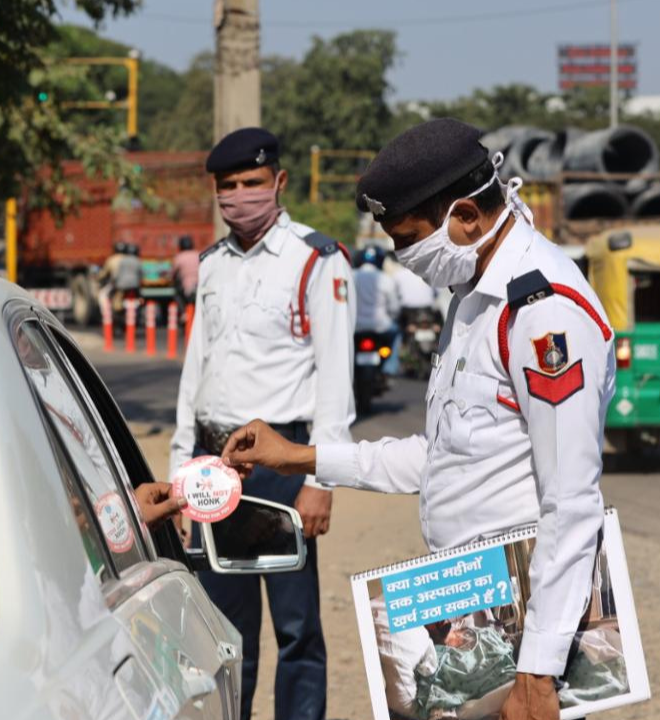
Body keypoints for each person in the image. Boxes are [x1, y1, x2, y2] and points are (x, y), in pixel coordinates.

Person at [222, 119, 614, 720]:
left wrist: (539, 669)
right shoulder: (471, 293)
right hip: (473, 606)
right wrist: (299, 456)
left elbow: (571, 499)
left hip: (528, 634)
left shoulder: (543, 313)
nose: (405, 258)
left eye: (409, 238)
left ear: (465, 217)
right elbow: (442, 455)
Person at [170, 126, 355, 720]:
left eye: (253, 182)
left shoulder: (316, 261)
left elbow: (335, 377)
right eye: (229, 186)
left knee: (297, 627)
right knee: (223, 629)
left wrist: (319, 478)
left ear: (278, 182)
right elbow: (195, 372)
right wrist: (181, 471)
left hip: (282, 464)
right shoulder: (213, 265)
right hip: (214, 467)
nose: (241, 195)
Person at [354, 245, 402, 375]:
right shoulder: (386, 279)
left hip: (355, 327)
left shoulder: (351, 276)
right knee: (397, 333)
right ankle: (390, 368)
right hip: (381, 327)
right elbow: (394, 308)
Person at [172, 235, 200, 309]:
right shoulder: (199, 254)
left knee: (176, 294)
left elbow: (173, 274)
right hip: (201, 287)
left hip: (188, 291)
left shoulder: (179, 257)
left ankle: (183, 313)